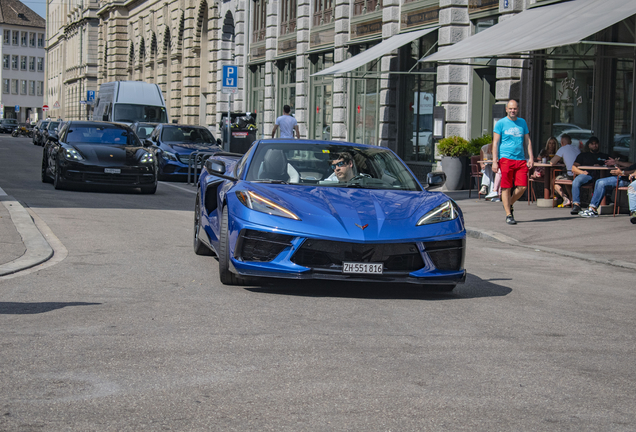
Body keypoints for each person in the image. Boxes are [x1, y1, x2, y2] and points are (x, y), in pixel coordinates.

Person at [492, 100, 534, 225]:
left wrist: (531, 157)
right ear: (506, 109)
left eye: (514, 109)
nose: (512, 111)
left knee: (522, 187)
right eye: (510, 109)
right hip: (505, 159)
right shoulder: (501, 123)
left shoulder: (522, 122)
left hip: (520, 159)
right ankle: (508, 214)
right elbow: (495, 143)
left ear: (518, 109)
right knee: (506, 187)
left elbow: (527, 141)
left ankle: (508, 203)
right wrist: (495, 161)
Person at [569, 137, 610, 215]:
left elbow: (612, 165)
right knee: (576, 181)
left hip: (601, 176)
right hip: (587, 175)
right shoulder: (583, 155)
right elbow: (573, 168)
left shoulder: (604, 156)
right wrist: (582, 172)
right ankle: (576, 205)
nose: (594, 145)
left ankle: (604, 201)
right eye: (592, 144)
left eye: (596, 143)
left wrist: (602, 165)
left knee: (602, 182)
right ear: (589, 145)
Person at [550, 133, 580, 207]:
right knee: (566, 179)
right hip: (578, 174)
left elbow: (552, 162)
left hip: (570, 173)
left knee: (553, 181)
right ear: (571, 142)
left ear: (562, 143)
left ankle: (565, 198)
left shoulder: (563, 148)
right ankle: (572, 198)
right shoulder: (577, 148)